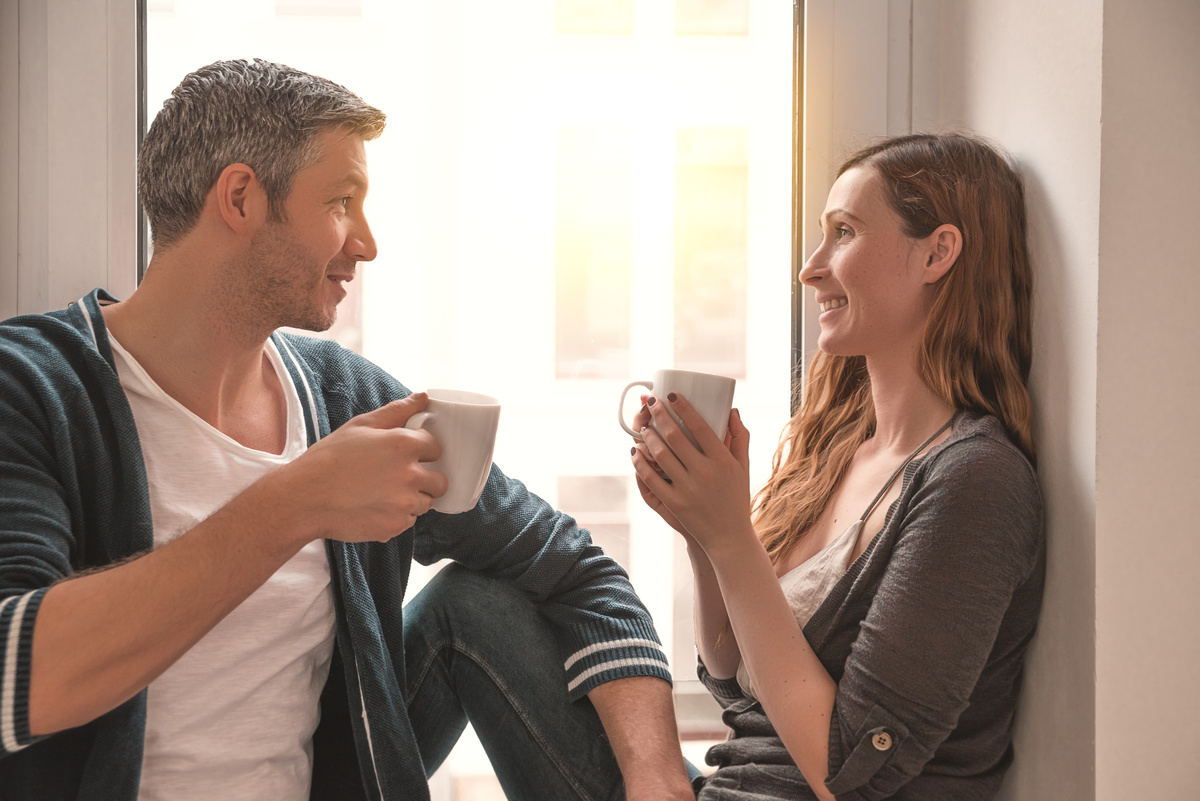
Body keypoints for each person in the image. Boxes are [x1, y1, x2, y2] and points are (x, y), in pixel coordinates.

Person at [0, 58, 696, 801]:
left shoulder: (347, 400)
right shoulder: (32, 386)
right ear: (240, 197)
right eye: (342, 201)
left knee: (478, 600)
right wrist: (297, 500)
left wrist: (654, 772)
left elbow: (578, 571)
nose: (365, 242)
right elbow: (22, 676)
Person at [630, 133, 1043, 800]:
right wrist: (703, 529)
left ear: (937, 252)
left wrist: (733, 536)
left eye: (843, 233)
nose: (811, 268)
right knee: (478, 608)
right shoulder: (838, 447)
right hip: (721, 788)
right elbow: (733, 676)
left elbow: (849, 769)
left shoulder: (977, 482)